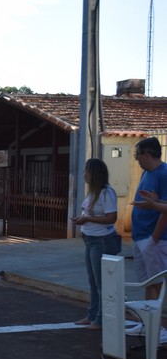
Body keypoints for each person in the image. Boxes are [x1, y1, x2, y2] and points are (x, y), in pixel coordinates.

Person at [71, 159, 118, 330]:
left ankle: (100, 319)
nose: (84, 174)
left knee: (101, 283)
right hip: (89, 239)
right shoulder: (92, 193)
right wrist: (82, 220)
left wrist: (87, 219)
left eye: (86, 171)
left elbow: (112, 217)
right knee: (93, 281)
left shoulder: (106, 193)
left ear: (94, 174)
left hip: (102, 240)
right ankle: (92, 315)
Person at [127, 137, 167, 341]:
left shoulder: (164, 173)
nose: (137, 160)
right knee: (147, 283)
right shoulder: (147, 172)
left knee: (158, 284)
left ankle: (161, 328)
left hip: (154, 240)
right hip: (140, 236)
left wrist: (154, 239)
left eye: (137, 155)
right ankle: (148, 324)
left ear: (147, 154)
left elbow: (165, 211)